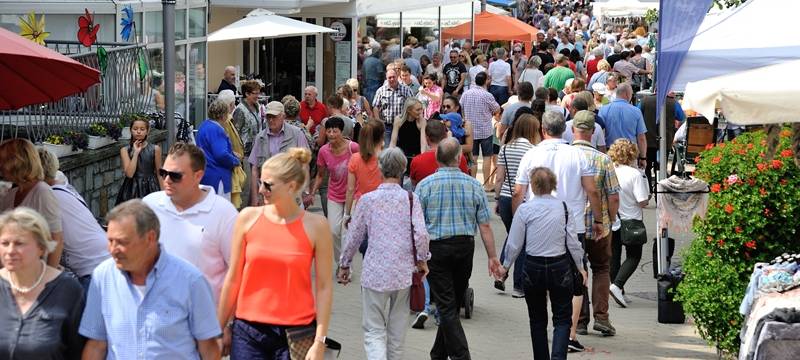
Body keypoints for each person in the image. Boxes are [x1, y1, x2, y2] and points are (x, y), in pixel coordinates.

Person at [217, 148, 333, 359]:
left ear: (291, 186)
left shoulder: (317, 226)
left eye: (268, 184)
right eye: (261, 182)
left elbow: (324, 287)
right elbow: (233, 278)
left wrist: (319, 340)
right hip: (248, 332)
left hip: (296, 333)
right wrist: (219, 328)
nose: (260, 190)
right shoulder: (247, 218)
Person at [80, 200, 221, 359]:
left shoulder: (191, 281)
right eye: (110, 241)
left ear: (150, 238)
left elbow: (208, 348)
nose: (113, 250)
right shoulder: (102, 277)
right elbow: (96, 345)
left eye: (122, 242)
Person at [338, 147, 430, 359]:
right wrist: (422, 260)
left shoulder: (367, 200)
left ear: (380, 169)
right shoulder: (410, 199)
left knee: (374, 331)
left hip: (375, 273)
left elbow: (354, 236)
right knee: (397, 334)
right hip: (402, 273)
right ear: (403, 170)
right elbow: (421, 234)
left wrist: (345, 263)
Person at [415, 138, 503, 359]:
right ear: (459, 158)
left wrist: (417, 256)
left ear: (437, 158)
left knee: (448, 305)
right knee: (449, 304)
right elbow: (484, 225)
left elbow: (417, 227)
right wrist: (492, 256)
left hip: (436, 249)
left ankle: (440, 354)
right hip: (464, 247)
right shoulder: (474, 185)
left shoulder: (424, 186)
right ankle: (459, 356)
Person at [501, 167, 587, 360]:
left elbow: (514, 244)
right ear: (554, 185)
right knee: (562, 318)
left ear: (532, 185)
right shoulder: (564, 208)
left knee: (537, 319)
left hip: (533, 266)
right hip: (560, 266)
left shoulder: (524, 210)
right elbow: (573, 242)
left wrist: (505, 267)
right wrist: (580, 266)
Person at [142, 142, 237, 303]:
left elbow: (236, 271)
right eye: (163, 173)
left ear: (198, 176)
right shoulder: (149, 204)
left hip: (203, 321)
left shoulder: (224, 213)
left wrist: (226, 321)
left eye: (176, 175)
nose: (167, 180)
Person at [0, 207, 86, 359]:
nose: (10, 250)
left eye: (19, 243)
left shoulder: (68, 290)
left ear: (42, 247)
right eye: (5, 243)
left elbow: (79, 351)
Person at [570, 111, 621, 345]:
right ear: (593, 132)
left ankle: (579, 320)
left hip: (572, 226)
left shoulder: (566, 156)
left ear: (573, 130)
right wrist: (610, 220)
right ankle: (602, 317)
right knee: (601, 268)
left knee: (578, 270)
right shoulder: (603, 159)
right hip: (599, 225)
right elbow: (613, 196)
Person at [38, 149, 109, 290]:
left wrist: (45, 281)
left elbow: (55, 241)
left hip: (93, 270)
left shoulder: (47, 196)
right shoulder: (64, 187)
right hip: (103, 260)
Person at [493, 114, 541, 297]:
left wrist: (497, 199)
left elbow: (499, 178)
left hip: (505, 197)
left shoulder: (505, 148)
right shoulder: (533, 150)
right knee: (522, 241)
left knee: (513, 236)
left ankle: (500, 273)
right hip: (524, 199)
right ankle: (518, 285)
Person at [0, 138, 65, 267]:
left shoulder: (42, 192)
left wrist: (48, 280)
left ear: (16, 162)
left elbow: (56, 239)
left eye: (2, 161)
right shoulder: (11, 194)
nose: (0, 166)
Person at [608, 139, 650, 308]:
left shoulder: (610, 171)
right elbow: (642, 201)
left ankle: (618, 289)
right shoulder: (635, 175)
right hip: (631, 220)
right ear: (632, 154)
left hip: (613, 218)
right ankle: (617, 285)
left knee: (614, 257)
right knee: (634, 256)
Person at [309, 117, 360, 260]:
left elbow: (364, 167)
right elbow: (320, 175)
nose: (331, 134)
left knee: (345, 230)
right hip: (334, 194)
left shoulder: (354, 148)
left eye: (334, 131)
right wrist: (311, 193)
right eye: (328, 131)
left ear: (341, 132)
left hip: (354, 194)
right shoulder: (324, 151)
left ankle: (346, 264)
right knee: (332, 231)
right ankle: (340, 261)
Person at [248, 101, 310, 206]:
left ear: (283, 116)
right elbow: (254, 169)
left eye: (274, 117)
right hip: (268, 191)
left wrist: (304, 190)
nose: (271, 120)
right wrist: (255, 197)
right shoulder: (261, 137)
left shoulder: (297, 133)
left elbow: (304, 165)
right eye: (268, 117)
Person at [461, 72, 501, 186]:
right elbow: (497, 109)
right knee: (487, 157)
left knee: (473, 157)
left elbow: (461, 107)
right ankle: (487, 184)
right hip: (485, 130)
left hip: (469, 130)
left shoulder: (466, 94)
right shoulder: (487, 95)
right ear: (486, 81)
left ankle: (473, 183)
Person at [196, 99, 241, 200]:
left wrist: (231, 153)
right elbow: (221, 154)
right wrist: (235, 161)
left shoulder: (204, 125)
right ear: (224, 115)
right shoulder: (217, 129)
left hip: (206, 175)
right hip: (218, 178)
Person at [345, 120, 385, 226]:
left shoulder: (355, 158)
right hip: (382, 207)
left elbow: (350, 189)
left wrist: (347, 214)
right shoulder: (386, 157)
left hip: (362, 205)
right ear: (382, 136)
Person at [115, 116, 163, 204]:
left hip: (150, 187)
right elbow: (129, 174)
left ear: (147, 131)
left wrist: (164, 194)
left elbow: (159, 173)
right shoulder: (125, 150)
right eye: (135, 129)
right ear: (130, 130)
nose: (138, 131)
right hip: (131, 189)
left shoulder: (155, 149)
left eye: (142, 129)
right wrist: (136, 153)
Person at [598, 83, 648, 168]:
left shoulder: (603, 109)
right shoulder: (636, 111)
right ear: (627, 94)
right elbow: (641, 138)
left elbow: (600, 134)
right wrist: (643, 158)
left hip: (610, 153)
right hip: (630, 155)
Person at [409, 119, 470, 186]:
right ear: (445, 136)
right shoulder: (459, 158)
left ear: (427, 138)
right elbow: (466, 181)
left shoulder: (416, 161)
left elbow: (414, 185)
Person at [217, 90, 248, 209]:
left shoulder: (228, 120)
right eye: (233, 104)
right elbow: (223, 149)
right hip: (230, 166)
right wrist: (235, 158)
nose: (234, 106)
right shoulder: (224, 122)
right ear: (230, 105)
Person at [372, 69, 415, 145]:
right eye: (389, 77)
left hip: (403, 126)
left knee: (402, 149)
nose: (392, 79)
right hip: (387, 126)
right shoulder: (381, 90)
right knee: (388, 150)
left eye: (393, 77)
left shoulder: (406, 90)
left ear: (397, 77)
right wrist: (378, 121)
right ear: (386, 78)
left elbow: (414, 105)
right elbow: (375, 106)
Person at [390, 97, 428, 168]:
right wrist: (390, 156)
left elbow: (423, 142)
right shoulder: (398, 120)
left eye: (421, 109)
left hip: (416, 155)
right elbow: (393, 141)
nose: (421, 112)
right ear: (409, 110)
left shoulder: (422, 121)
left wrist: (422, 158)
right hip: (402, 155)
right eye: (418, 110)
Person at [440, 96, 475, 169]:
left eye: (448, 106)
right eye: (444, 107)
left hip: (461, 161)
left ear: (457, 108)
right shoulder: (441, 122)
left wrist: (448, 150)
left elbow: (469, 147)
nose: (445, 109)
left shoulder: (466, 124)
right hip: (444, 162)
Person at [232, 80, 263, 156]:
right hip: (245, 153)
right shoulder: (240, 110)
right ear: (247, 94)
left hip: (256, 150)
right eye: (255, 93)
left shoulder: (257, 107)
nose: (257, 96)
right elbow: (235, 133)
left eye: (258, 93)